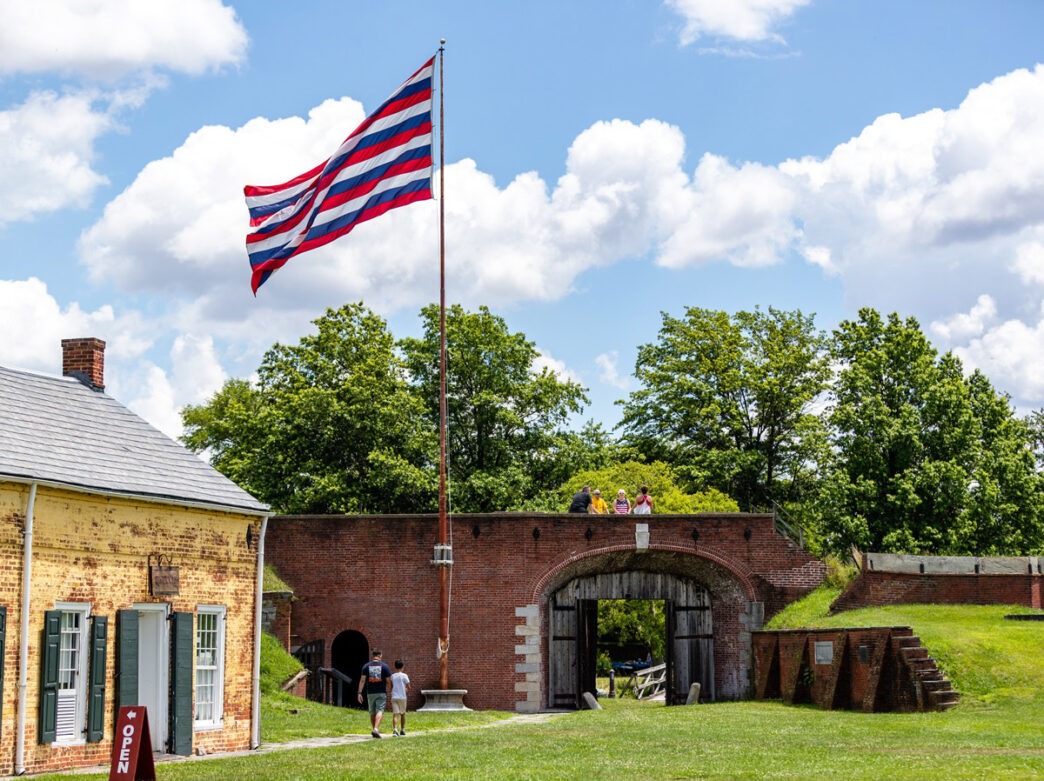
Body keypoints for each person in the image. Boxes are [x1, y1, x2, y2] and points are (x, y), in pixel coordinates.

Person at [357, 649, 392, 738]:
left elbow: (362, 680)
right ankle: (376, 729)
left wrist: (359, 692)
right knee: (379, 710)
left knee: (372, 712)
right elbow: (388, 681)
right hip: (381, 692)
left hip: (370, 692)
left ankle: (374, 730)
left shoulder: (366, 666)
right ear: (380, 656)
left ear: (372, 656)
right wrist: (389, 690)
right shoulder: (385, 666)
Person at [390, 659, 410, 736]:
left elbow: (392, 686)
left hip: (394, 696)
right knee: (403, 714)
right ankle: (402, 730)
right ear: (403, 667)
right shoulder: (404, 676)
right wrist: (405, 690)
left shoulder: (392, 676)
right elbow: (408, 686)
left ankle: (395, 730)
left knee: (395, 714)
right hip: (402, 697)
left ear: (395, 667)